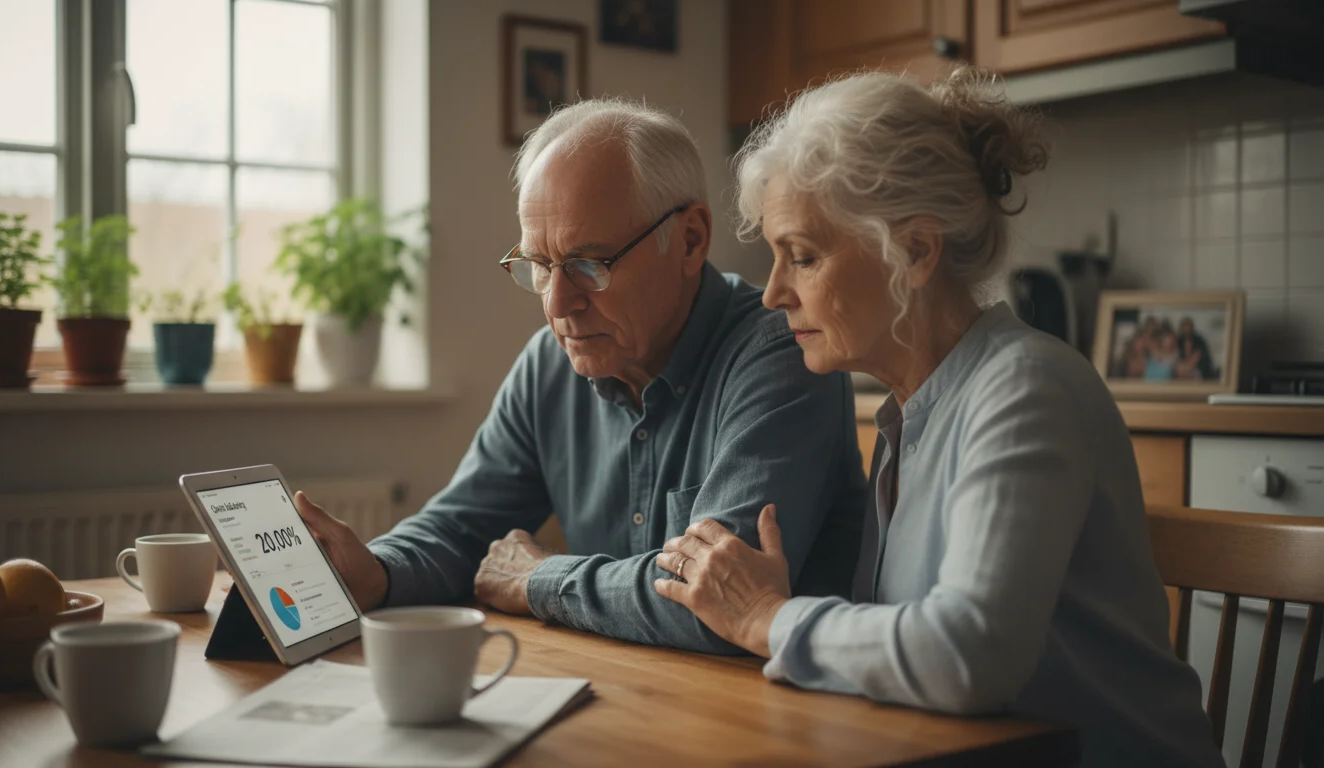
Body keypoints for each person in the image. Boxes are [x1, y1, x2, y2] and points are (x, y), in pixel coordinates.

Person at [652, 69, 1224, 766]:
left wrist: (768, 618)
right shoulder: (908, 415)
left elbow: (967, 656)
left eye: (801, 257)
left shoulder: (1025, 391)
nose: (773, 293)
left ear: (916, 252)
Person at [294, 99, 867, 653]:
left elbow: (717, 599)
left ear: (690, 239)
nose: (558, 304)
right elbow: (462, 527)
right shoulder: (550, 362)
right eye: (540, 265)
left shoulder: (783, 352)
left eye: (590, 264)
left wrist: (540, 579)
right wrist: (375, 570)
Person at [1177, 317, 1216, 381]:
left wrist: (1191, 364)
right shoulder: (1178, 340)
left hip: (1198, 369)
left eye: (1188, 326)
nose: (1186, 329)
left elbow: (1201, 356)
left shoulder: (1199, 341)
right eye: (1184, 327)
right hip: (1182, 368)